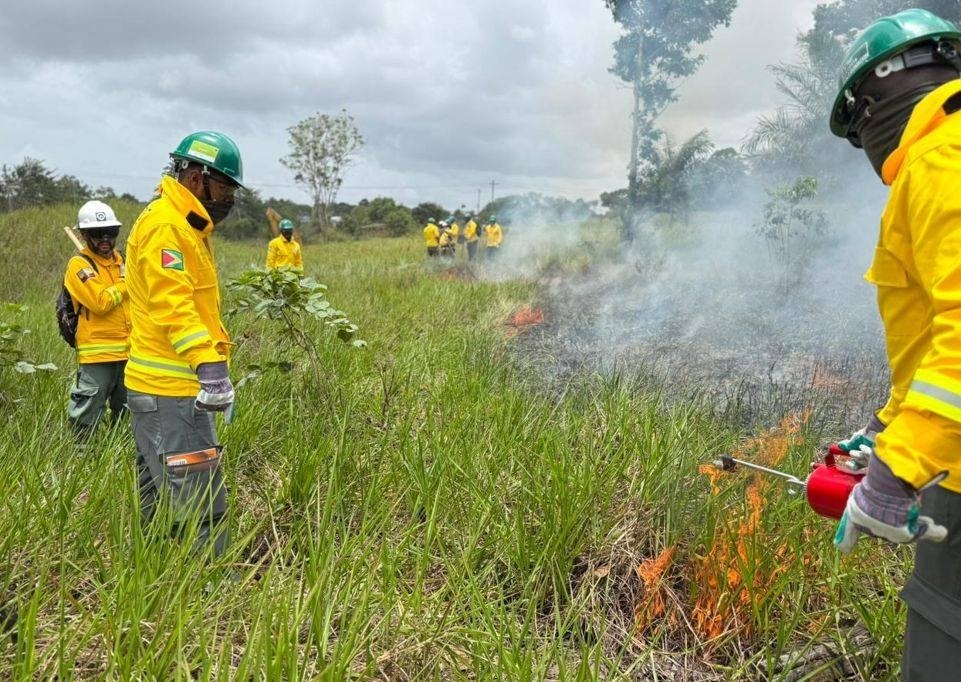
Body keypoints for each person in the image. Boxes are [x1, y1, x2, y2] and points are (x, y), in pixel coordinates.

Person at [828, 9, 961, 677]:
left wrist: (896, 473)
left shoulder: (941, 160)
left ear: (873, 100)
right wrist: (888, 430)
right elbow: (937, 335)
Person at [124, 131, 243, 557]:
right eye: (224, 188)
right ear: (197, 179)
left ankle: (159, 573)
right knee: (199, 493)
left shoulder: (186, 226)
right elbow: (172, 303)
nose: (228, 199)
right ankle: (213, 587)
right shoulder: (165, 225)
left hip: (165, 388)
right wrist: (209, 368)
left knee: (162, 490)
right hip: (169, 389)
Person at [63, 200, 130, 438]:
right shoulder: (79, 265)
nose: (105, 239)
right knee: (87, 415)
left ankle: (120, 460)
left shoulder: (123, 261)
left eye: (110, 233)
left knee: (128, 416)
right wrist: (127, 284)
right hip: (97, 355)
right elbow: (100, 302)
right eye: (97, 234)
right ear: (84, 234)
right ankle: (82, 463)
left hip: (130, 352)